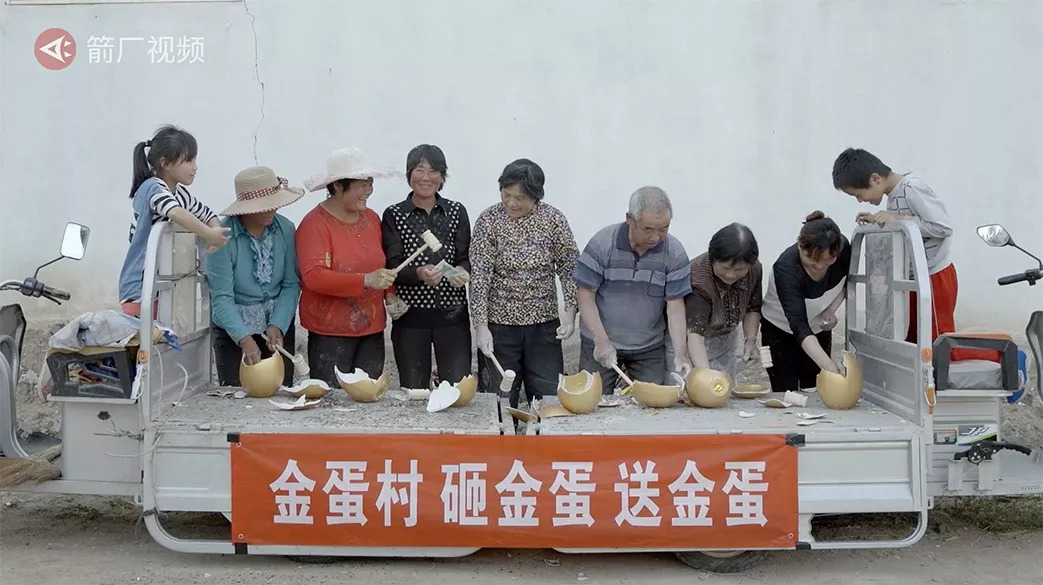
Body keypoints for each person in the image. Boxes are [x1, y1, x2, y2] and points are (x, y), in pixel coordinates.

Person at [469, 158, 579, 407]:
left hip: (544, 327)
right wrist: (481, 326)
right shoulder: (489, 220)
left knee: (548, 398)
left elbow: (569, 266)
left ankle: (541, 432)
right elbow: (480, 276)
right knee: (498, 400)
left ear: (536, 195)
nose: (511, 203)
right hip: (499, 327)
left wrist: (570, 313)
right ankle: (501, 433)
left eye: (520, 197)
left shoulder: (553, 219)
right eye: (506, 194)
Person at [296, 148, 401, 387]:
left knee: (368, 396)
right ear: (338, 186)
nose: (369, 190)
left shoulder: (372, 218)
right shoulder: (314, 224)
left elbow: (381, 265)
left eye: (370, 183)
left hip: (371, 329)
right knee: (332, 400)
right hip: (330, 333)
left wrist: (390, 294)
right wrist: (365, 280)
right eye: (362, 185)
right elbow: (314, 277)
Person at [574, 186, 692, 394]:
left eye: (664, 228)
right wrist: (601, 341)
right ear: (630, 219)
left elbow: (675, 306)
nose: (656, 237)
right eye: (648, 229)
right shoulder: (602, 244)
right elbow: (585, 295)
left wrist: (680, 354)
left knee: (651, 402)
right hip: (600, 341)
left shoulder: (674, 253)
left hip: (648, 347)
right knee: (592, 401)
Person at [832, 147, 956, 344]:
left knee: (936, 342)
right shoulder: (893, 195)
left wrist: (898, 219)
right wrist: (878, 220)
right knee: (914, 341)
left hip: (933, 275)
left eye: (858, 194)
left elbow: (943, 227)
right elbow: (904, 223)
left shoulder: (912, 188)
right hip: (911, 278)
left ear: (875, 179)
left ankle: (994, 356)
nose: (860, 200)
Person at [381, 145, 472, 389]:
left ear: (442, 176)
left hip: (453, 315)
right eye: (419, 170)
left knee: (457, 388)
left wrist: (462, 272)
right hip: (411, 318)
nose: (426, 177)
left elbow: (465, 257)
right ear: (409, 174)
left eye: (433, 171)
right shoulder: (394, 214)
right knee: (414, 389)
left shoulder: (456, 211)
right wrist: (419, 273)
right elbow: (392, 265)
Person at [205, 166, 304, 387]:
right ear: (246, 209)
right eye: (264, 206)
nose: (272, 209)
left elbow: (291, 284)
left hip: (277, 327)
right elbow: (221, 297)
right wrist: (244, 338)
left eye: (274, 203)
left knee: (281, 391)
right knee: (237, 395)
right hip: (233, 330)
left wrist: (278, 324)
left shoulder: (286, 229)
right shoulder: (222, 238)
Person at [118, 125, 230, 318]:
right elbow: (175, 212)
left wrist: (214, 232)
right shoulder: (152, 188)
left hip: (162, 285)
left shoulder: (180, 193)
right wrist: (207, 234)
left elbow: (206, 213)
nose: (195, 167)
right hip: (140, 287)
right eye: (189, 160)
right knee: (147, 336)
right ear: (166, 163)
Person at [760, 211, 852, 392]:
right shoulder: (785, 269)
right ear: (800, 247)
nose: (819, 266)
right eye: (812, 260)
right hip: (781, 330)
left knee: (815, 389)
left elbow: (848, 283)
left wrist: (830, 311)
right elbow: (799, 325)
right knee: (787, 394)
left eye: (827, 261)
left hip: (817, 328)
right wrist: (832, 369)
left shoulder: (844, 251)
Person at [684, 223, 763, 381]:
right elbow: (695, 334)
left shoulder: (754, 269)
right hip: (689, 343)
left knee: (724, 388)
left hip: (724, 340)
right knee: (696, 388)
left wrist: (750, 340)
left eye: (739, 269)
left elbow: (752, 308)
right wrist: (707, 378)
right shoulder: (699, 279)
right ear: (713, 259)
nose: (731, 275)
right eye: (725, 268)